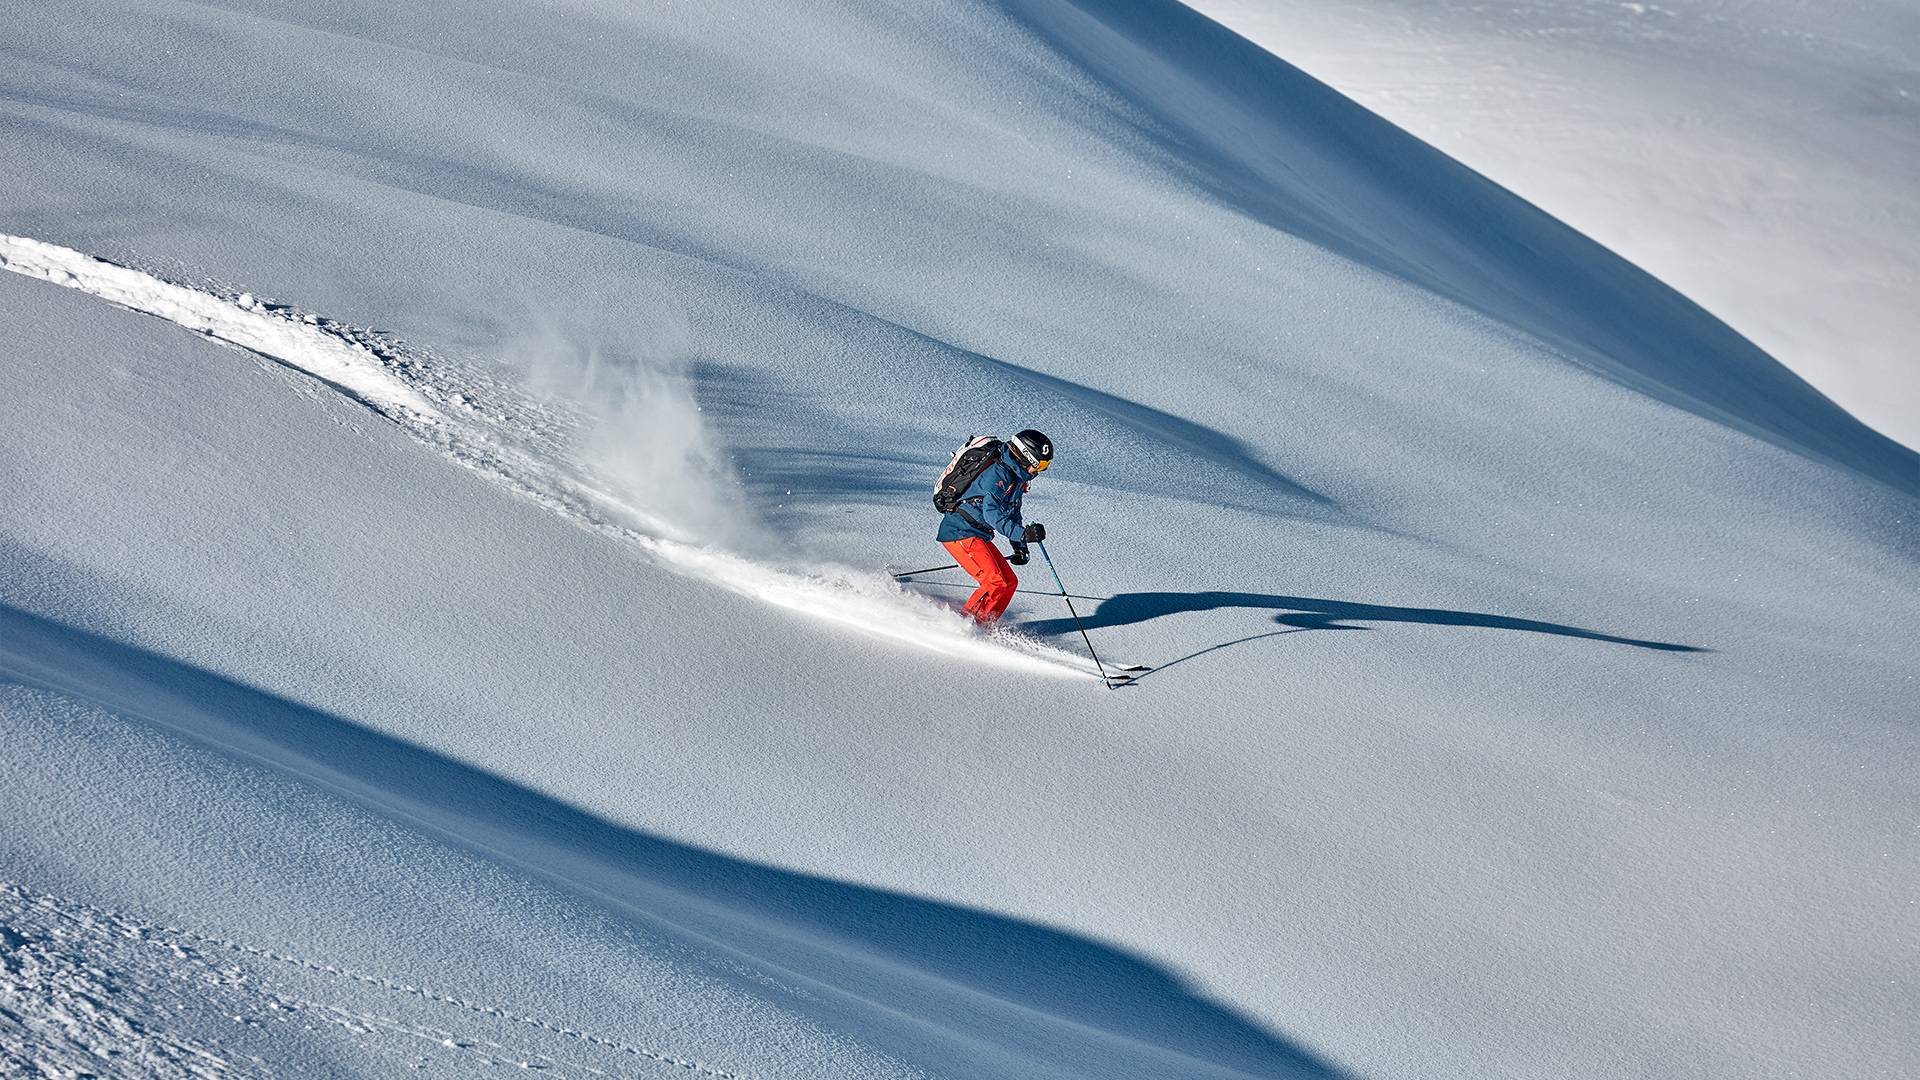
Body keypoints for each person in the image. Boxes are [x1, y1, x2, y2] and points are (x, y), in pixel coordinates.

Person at [936, 429, 1053, 625]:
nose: (1041, 470)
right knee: (996, 581)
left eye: (1046, 465)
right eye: (1041, 464)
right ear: (1027, 457)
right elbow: (993, 515)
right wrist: (1022, 534)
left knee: (1009, 582)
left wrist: (1019, 545)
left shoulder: (1017, 477)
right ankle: (963, 627)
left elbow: (1013, 512)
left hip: (975, 534)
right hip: (960, 532)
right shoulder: (999, 474)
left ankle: (984, 626)